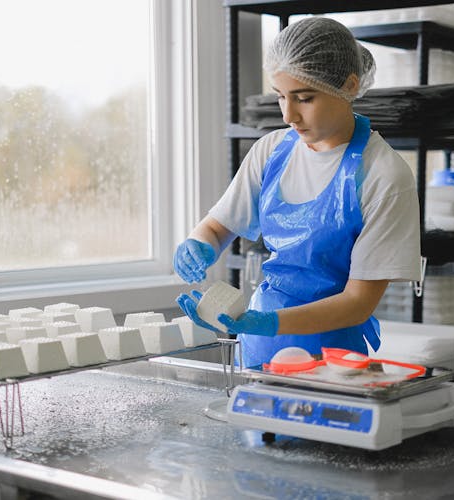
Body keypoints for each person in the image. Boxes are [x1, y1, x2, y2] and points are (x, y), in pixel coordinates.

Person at [173, 17, 421, 368]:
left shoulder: (384, 176)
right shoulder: (271, 152)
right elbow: (217, 227)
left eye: (304, 98)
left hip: (332, 358)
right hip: (258, 348)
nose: (289, 115)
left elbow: (358, 302)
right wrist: (199, 244)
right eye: (280, 97)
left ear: (349, 86)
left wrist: (270, 323)